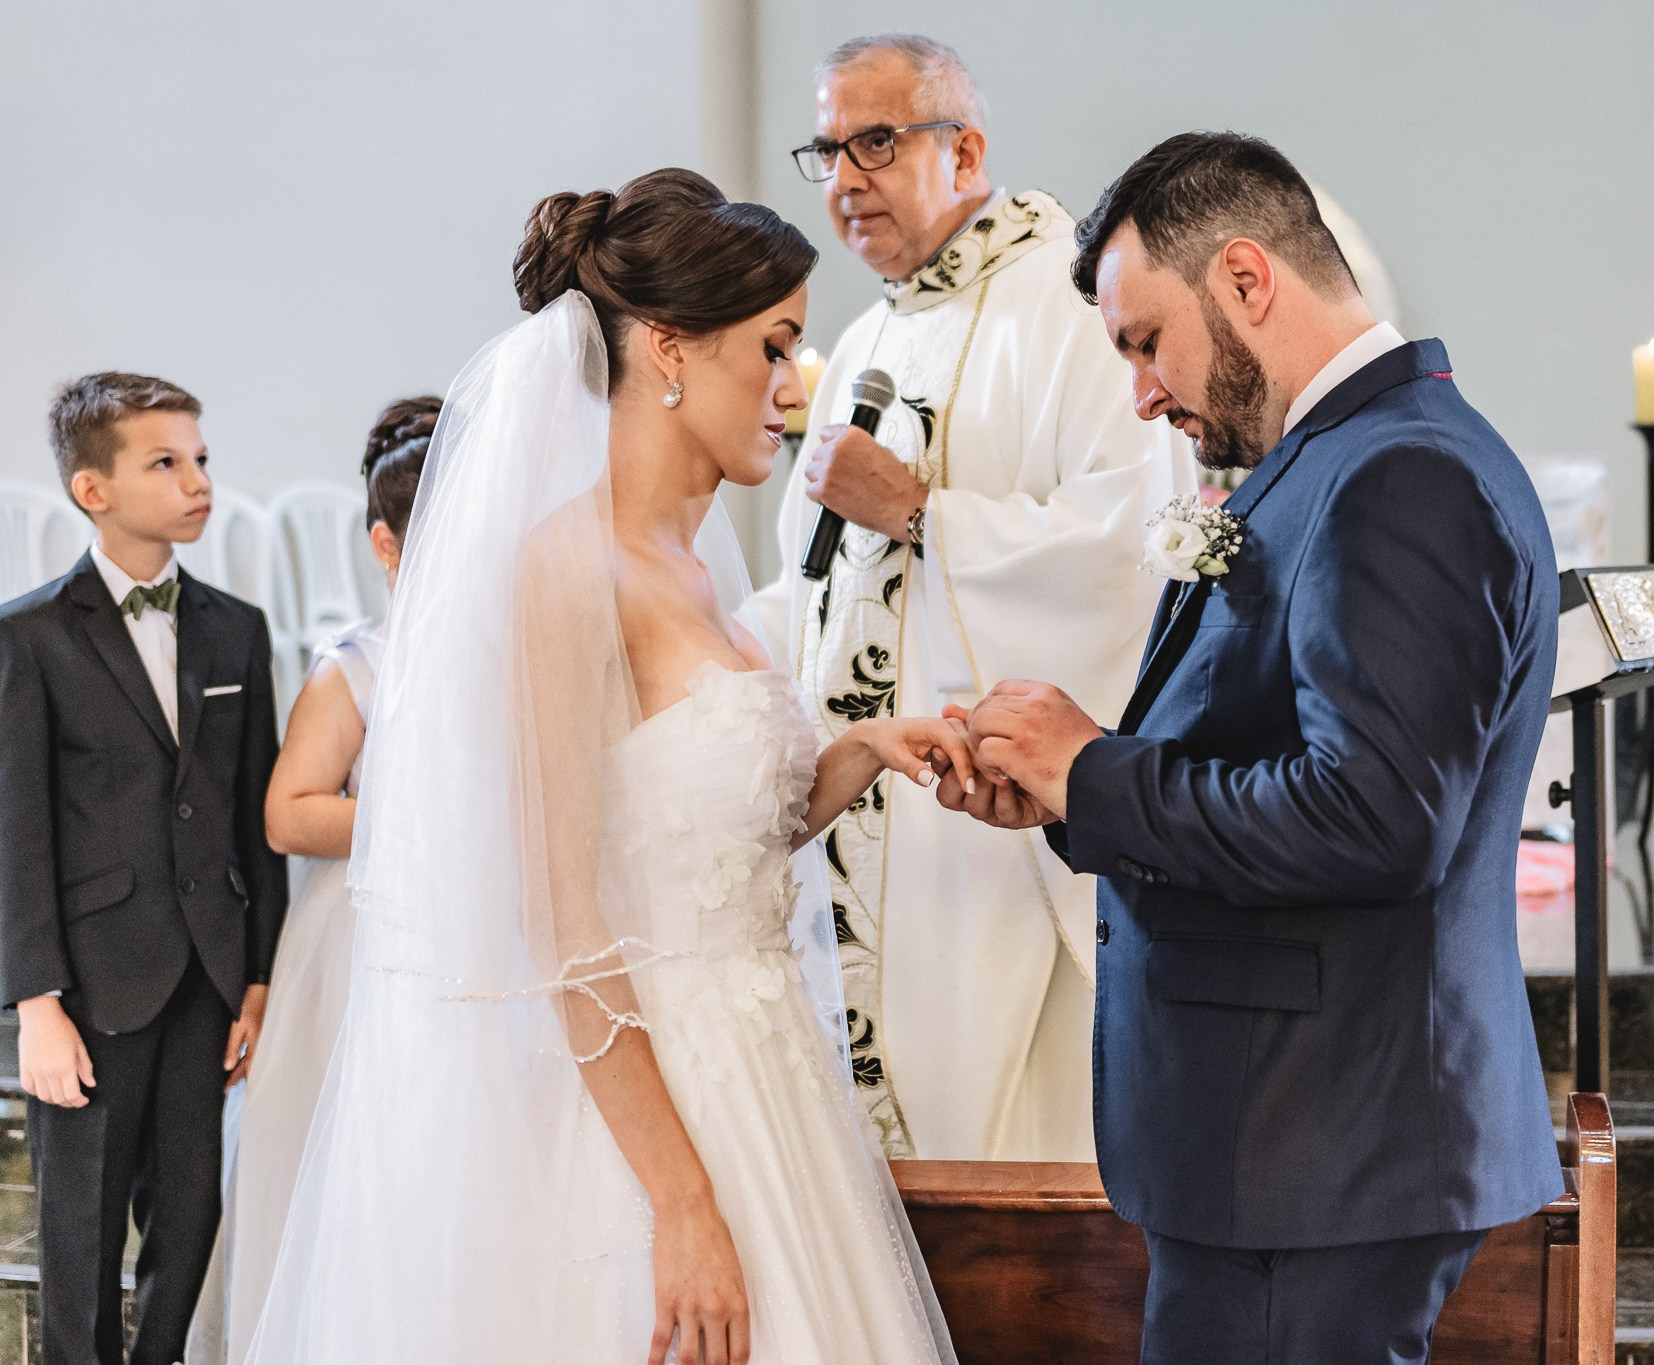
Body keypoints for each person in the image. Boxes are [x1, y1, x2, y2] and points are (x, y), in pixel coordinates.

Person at [245, 170, 960, 1365]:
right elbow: (562, 920)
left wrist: (862, 751)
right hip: (640, 1104)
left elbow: (704, 841)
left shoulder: (690, 566)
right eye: (775, 348)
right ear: (670, 350)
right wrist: (681, 1206)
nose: (795, 390)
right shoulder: (567, 571)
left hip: (764, 1073)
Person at [941, 134, 1564, 1363]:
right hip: (1293, 1142)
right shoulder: (1350, 459)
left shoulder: (1396, 478)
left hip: (1318, 1145)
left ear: (1242, 279)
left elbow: (1373, 817)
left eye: (1143, 341)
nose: (1140, 393)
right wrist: (1076, 797)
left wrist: (1094, 769)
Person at [753, 33, 1193, 1161]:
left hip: (980, 821)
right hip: (868, 813)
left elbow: (1130, 549)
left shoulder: (1065, 303)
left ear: (968, 149)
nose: (845, 179)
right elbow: (816, 594)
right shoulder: (860, 338)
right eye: (827, 151)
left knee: (1001, 1138)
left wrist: (920, 515)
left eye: (875, 142)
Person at [0, 373, 288, 1365]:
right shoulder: (28, 636)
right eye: (165, 462)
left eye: (200, 458)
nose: (197, 480)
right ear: (94, 489)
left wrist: (258, 975)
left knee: (191, 1221)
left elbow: (255, 818)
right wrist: (34, 1001)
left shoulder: (234, 629)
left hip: (207, 981)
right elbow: (16, 830)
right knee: (78, 1234)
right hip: (87, 987)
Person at [186, 396, 437, 1365]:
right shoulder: (354, 667)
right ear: (386, 544)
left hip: (460, 932)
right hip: (356, 946)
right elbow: (290, 812)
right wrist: (423, 827)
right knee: (342, 1163)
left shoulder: (512, 653)